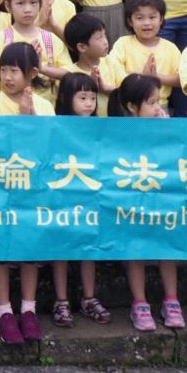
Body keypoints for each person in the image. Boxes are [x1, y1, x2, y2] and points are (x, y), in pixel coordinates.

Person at [0, 42, 53, 344]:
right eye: (3, 70)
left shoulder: (45, 105)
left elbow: (46, 147)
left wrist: (29, 116)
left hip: (32, 189)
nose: (7, 77)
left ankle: (28, 309)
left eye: (14, 71)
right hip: (1, 188)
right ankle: (4, 311)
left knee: (29, 250)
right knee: (0, 251)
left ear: (32, 73)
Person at [116, 73, 185, 331]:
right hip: (132, 201)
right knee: (136, 249)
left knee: (166, 246)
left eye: (159, 101)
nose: (158, 108)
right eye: (152, 103)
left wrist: (167, 131)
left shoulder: (164, 127)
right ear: (132, 107)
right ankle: (140, 303)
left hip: (161, 199)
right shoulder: (119, 133)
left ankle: (171, 300)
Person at [50, 71, 112, 327]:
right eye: (82, 98)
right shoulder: (55, 127)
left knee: (89, 246)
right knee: (61, 247)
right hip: (62, 196)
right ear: (66, 98)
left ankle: (89, 297)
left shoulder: (100, 128)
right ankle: (61, 300)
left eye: (93, 98)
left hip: (90, 196)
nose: (89, 103)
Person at [0, 0, 72, 103]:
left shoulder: (51, 39)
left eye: (33, 2)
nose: (28, 9)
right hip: (8, 107)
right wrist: (23, 64)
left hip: (45, 108)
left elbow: (69, 73)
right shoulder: (1, 38)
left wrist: (41, 68)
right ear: (8, 6)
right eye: (20, 3)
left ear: (40, 4)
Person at [109, 0, 182, 114]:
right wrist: (142, 78)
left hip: (159, 106)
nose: (147, 23)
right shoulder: (123, 44)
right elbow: (113, 71)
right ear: (130, 21)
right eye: (140, 18)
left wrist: (156, 77)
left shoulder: (170, 48)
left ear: (161, 19)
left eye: (152, 17)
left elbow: (182, 78)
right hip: (129, 106)